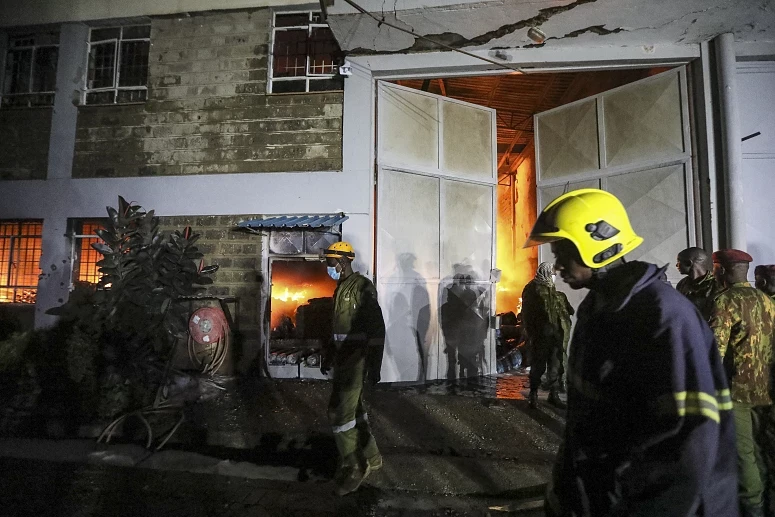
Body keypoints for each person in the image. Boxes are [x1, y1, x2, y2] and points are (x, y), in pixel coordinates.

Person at [524, 188, 738, 516]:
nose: (557, 265)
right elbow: (585, 424)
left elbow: (687, 447)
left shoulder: (663, 316)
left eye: (563, 251)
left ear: (597, 244)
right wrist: (565, 493)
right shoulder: (598, 310)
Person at [708, 250, 775, 517]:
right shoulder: (767, 300)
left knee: (744, 453)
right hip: (769, 388)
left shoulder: (725, 301)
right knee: (765, 450)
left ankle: (753, 508)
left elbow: (714, 350)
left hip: (738, 391)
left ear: (720, 270)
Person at [320, 241, 386, 496]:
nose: (328, 267)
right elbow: (335, 330)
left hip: (356, 360)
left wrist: (375, 364)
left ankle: (354, 464)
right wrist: (329, 355)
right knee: (355, 409)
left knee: (338, 412)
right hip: (342, 359)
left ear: (343, 262)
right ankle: (373, 456)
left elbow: (376, 330)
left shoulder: (361, 287)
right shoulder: (340, 288)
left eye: (330, 262)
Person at [521, 262, 573, 410]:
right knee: (538, 365)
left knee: (556, 365)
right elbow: (528, 314)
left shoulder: (552, 288)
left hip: (556, 335)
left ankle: (554, 395)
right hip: (540, 336)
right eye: (551, 273)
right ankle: (533, 395)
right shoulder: (532, 289)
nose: (554, 275)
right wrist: (531, 333)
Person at [676, 246, 718, 316]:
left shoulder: (716, 284)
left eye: (679, 261)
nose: (677, 265)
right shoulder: (682, 283)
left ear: (689, 263)